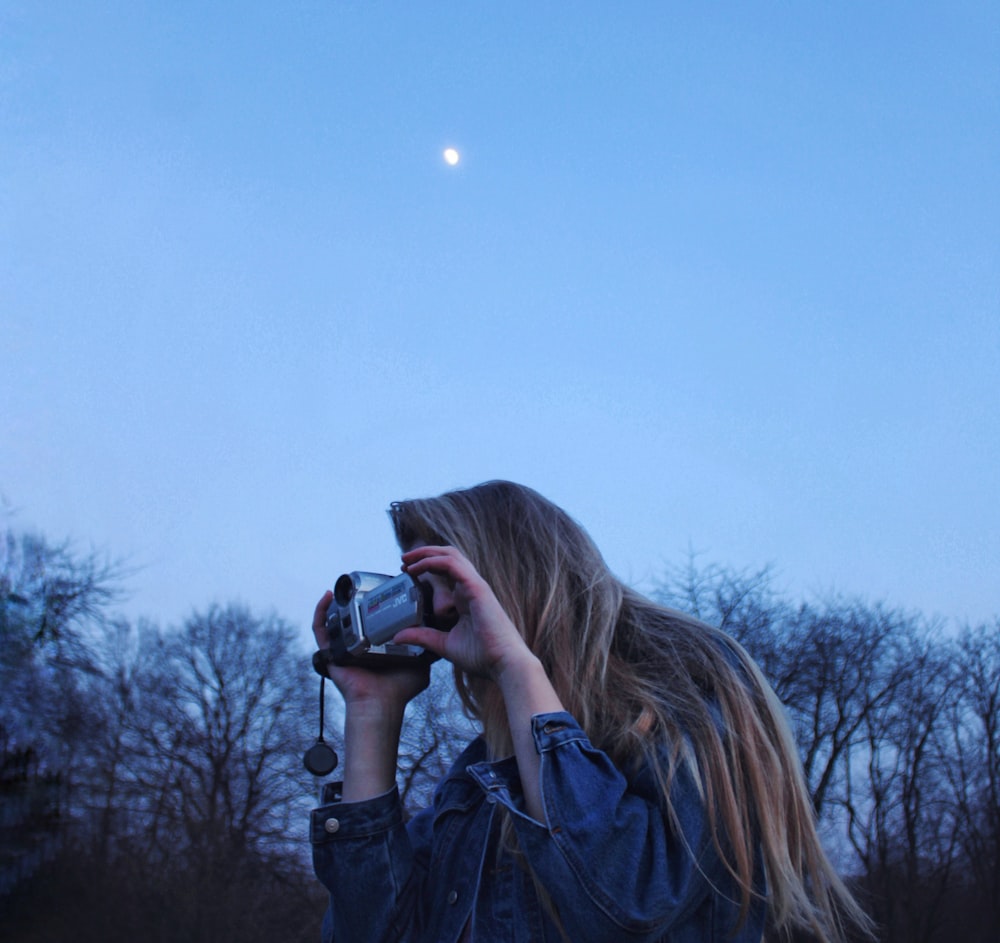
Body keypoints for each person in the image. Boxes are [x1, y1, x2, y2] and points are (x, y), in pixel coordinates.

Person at [310, 481, 870, 943]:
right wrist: (370, 712)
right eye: (423, 595)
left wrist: (517, 667)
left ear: (510, 573)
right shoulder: (478, 785)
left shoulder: (687, 695)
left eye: (448, 581)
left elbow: (624, 909)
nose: (444, 609)